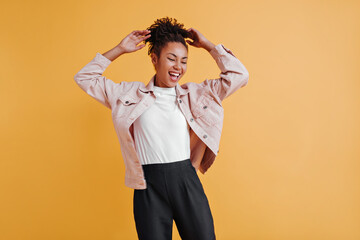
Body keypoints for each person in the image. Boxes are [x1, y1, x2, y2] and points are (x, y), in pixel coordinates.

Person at [74, 17, 249, 240]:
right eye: (172, 59)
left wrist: (209, 46)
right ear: (155, 59)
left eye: (184, 61)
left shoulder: (196, 94)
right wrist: (120, 49)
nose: (178, 67)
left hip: (186, 180)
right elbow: (84, 77)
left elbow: (240, 75)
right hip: (148, 186)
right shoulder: (128, 95)